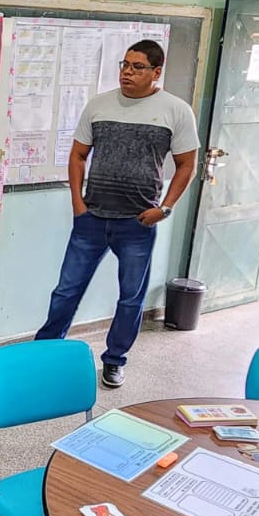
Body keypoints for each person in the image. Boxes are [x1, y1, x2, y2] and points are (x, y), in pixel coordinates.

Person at [35, 39, 199, 388]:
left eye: (137, 67)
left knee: (130, 297)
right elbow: (78, 155)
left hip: (137, 223)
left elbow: (187, 165)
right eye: (124, 65)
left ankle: (114, 360)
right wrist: (78, 204)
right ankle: (44, 353)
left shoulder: (175, 110)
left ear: (156, 72)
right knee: (66, 291)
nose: (127, 72)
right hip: (91, 219)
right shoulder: (99, 105)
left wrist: (164, 208)